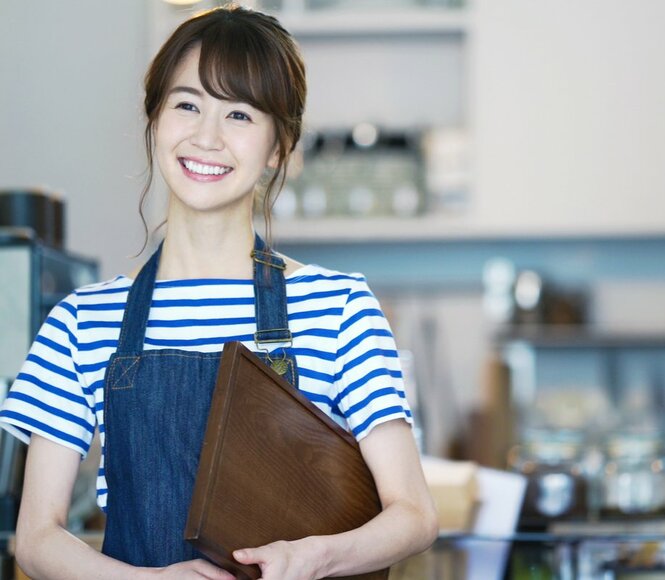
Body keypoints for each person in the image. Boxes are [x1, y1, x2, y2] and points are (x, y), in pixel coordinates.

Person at [0, 5, 437, 579]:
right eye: (187, 105)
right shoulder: (82, 319)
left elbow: (413, 513)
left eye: (239, 114)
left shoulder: (339, 306)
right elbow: (34, 538)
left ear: (279, 148)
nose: (206, 137)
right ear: (154, 120)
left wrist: (315, 555)